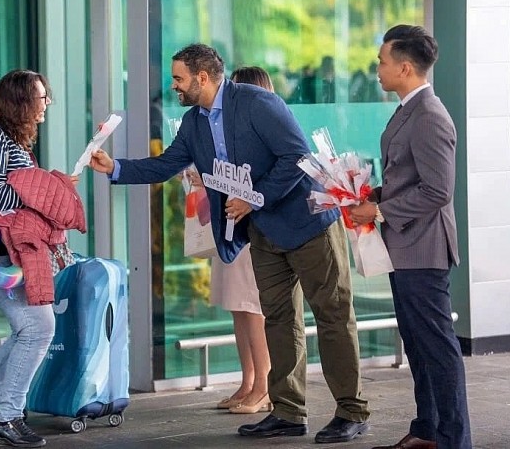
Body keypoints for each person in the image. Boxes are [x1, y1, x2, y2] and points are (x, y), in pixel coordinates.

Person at [89, 43, 370, 443]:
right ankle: (289, 412)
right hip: (264, 231)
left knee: (332, 316)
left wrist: (255, 197)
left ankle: (351, 411)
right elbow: (168, 163)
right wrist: (115, 166)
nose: (174, 86)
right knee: (278, 319)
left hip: (307, 224)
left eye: (179, 78)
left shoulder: (257, 103)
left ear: (203, 78)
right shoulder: (194, 122)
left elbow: (296, 156)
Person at [350, 25, 472, 449]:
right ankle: (428, 431)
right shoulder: (407, 110)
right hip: (403, 246)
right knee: (418, 347)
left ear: (404, 67)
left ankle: (454, 440)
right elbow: (409, 177)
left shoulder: (429, 116)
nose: (377, 68)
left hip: (423, 248)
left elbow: (438, 190)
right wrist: (374, 195)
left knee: (437, 350)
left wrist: (379, 209)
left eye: (382, 61)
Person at [0, 69, 84, 449]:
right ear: (19, 102)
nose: (47, 103)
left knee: (24, 330)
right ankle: (9, 415)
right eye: (41, 96)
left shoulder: (10, 138)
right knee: (38, 329)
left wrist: (48, 188)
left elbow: (17, 188)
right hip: (1, 249)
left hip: (10, 248)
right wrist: (45, 190)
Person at [211, 66, 273, 415]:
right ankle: (249, 381)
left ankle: (264, 387)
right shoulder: (229, 132)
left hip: (253, 234)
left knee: (253, 310)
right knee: (239, 308)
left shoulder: (264, 133)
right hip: (232, 230)